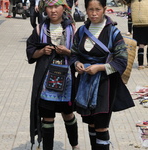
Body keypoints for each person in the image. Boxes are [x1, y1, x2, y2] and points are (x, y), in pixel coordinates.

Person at [71, 0, 135, 150]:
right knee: (91, 123)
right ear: (85, 10)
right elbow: (74, 54)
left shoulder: (113, 32)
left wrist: (100, 68)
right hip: (85, 83)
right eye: (90, 9)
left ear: (105, 9)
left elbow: (121, 62)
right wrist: (76, 64)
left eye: (97, 9)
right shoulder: (81, 31)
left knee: (101, 126)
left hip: (105, 85)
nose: (94, 13)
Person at [26, 0, 79, 150]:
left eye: (57, 6)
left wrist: (68, 52)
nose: (53, 10)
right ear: (44, 9)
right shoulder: (40, 29)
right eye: (49, 7)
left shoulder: (72, 29)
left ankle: (75, 145)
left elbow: (80, 53)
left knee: (68, 114)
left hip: (66, 80)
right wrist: (41, 52)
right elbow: (31, 51)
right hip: (45, 82)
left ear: (64, 8)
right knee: (47, 117)